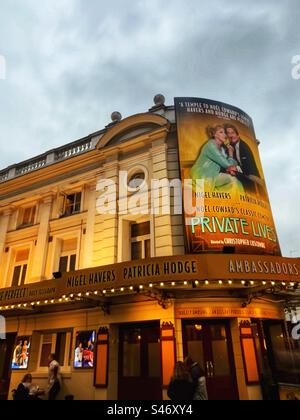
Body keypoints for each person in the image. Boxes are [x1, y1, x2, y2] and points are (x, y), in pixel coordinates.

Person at [190, 125, 244, 199]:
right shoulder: (210, 146)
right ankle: (234, 203)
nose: (225, 135)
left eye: (225, 132)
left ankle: (234, 205)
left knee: (235, 182)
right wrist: (230, 155)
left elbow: (232, 165)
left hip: (214, 175)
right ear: (214, 134)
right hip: (202, 176)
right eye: (221, 132)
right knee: (232, 180)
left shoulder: (221, 149)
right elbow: (227, 164)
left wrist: (230, 165)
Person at [224, 124, 265, 195]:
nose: (231, 135)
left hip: (251, 176)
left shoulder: (243, 147)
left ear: (237, 134)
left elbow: (248, 167)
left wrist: (235, 168)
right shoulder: (228, 147)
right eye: (228, 133)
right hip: (241, 176)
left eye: (233, 133)